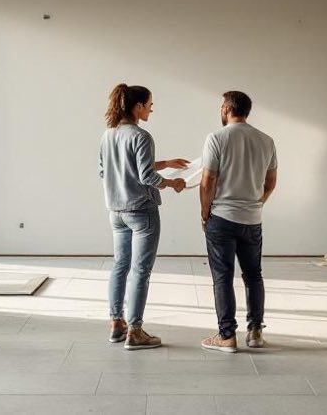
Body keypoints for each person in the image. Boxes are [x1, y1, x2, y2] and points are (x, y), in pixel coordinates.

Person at [99, 83, 189, 350]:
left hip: (116, 212)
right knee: (140, 271)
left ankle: (117, 324)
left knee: (120, 266)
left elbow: (109, 172)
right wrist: (173, 183)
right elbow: (146, 176)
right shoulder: (141, 136)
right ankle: (135, 331)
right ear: (137, 106)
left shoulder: (108, 135)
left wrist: (166, 163)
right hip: (141, 212)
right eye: (149, 104)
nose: (151, 108)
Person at [198, 91, 278, 353]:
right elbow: (270, 183)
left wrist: (204, 211)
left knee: (222, 277)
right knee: (253, 275)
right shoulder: (266, 140)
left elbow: (208, 180)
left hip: (221, 217)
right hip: (252, 219)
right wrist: (256, 204)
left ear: (225, 108)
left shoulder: (216, 138)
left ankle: (227, 336)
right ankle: (255, 332)